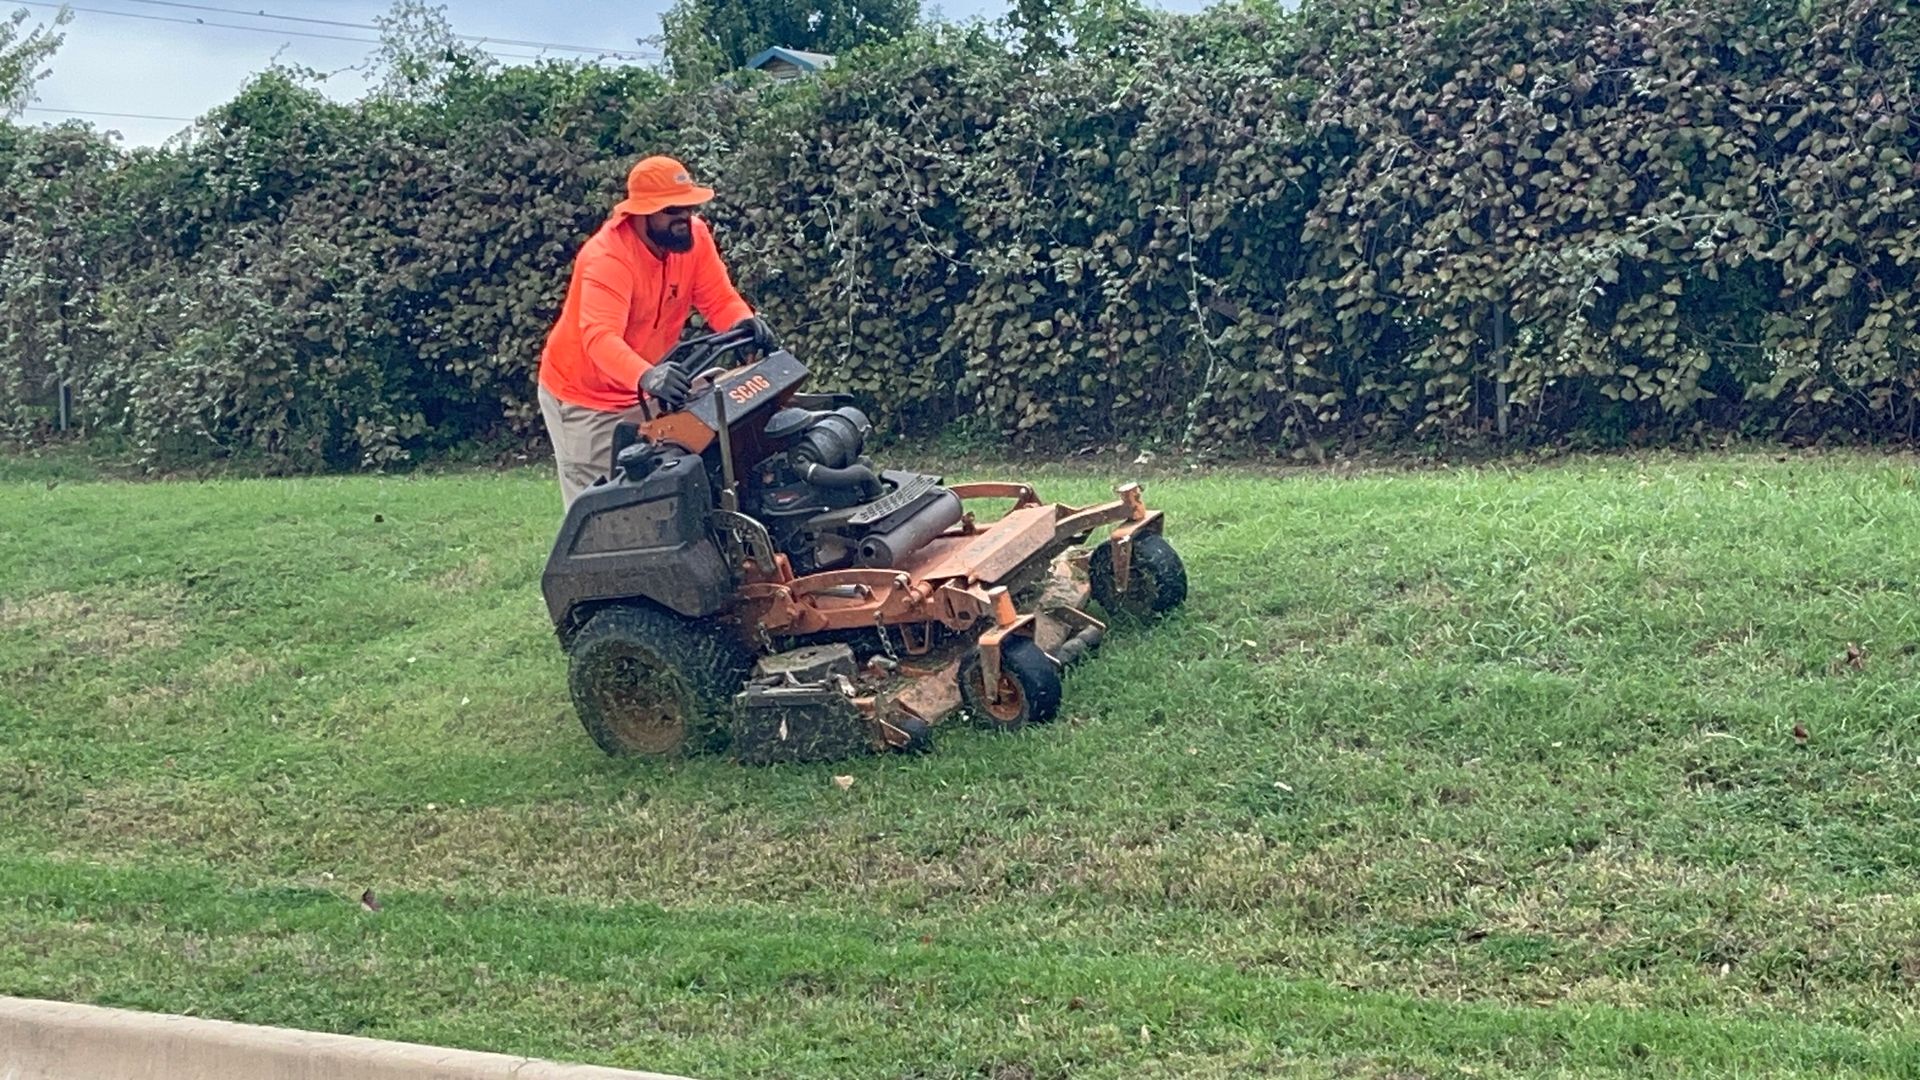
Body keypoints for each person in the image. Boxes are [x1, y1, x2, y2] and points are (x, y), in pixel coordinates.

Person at [536, 154, 778, 507]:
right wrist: (647, 375)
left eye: (689, 208)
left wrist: (743, 321)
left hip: (649, 385)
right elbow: (599, 338)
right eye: (671, 210)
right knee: (601, 508)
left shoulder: (693, 237)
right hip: (587, 400)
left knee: (666, 490)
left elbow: (719, 299)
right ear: (641, 213)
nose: (684, 218)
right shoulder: (608, 258)